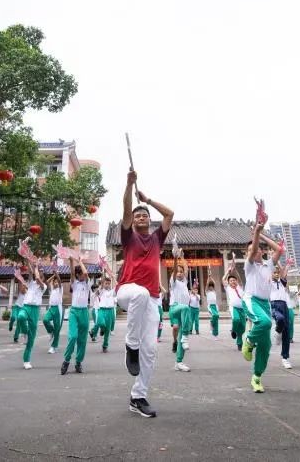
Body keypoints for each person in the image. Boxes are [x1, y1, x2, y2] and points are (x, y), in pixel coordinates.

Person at [116, 169, 173, 418]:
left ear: (149, 221)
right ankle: (131, 346)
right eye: (137, 215)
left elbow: (169, 214)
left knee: (150, 350)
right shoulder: (129, 237)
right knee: (139, 294)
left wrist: (148, 200)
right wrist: (130, 185)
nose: (140, 217)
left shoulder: (157, 239)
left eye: (144, 215)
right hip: (127, 291)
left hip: (152, 299)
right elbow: (126, 211)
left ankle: (138, 396)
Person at [242, 222, 282, 393]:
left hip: (265, 304)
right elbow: (252, 251)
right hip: (251, 300)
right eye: (250, 249)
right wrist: (256, 232)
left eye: (257, 248)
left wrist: (263, 234)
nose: (253, 250)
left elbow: (279, 250)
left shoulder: (269, 265)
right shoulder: (249, 265)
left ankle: (256, 377)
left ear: (262, 251)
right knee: (265, 322)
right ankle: (249, 340)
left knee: (266, 345)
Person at [62, 254, 90, 375]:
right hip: (74, 312)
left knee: (82, 340)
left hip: (84, 312)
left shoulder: (87, 283)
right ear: (78, 275)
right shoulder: (74, 283)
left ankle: (78, 362)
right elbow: (72, 274)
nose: (84, 275)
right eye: (81, 274)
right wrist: (71, 261)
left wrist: (80, 261)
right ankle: (66, 360)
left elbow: (86, 273)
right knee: (73, 336)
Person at [18, 262, 46, 370]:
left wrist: (36, 268)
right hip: (26, 307)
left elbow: (37, 277)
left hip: (35, 310)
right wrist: (26, 257)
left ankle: (26, 360)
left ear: (43, 277)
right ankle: (24, 332)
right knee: (21, 317)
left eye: (42, 272)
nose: (39, 273)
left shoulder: (43, 286)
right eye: (39, 271)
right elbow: (30, 272)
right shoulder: (31, 283)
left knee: (31, 338)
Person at [169, 256, 192, 372]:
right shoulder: (173, 282)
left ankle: (179, 362)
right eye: (177, 272)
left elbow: (186, 268)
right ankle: (184, 337)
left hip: (184, 312)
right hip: (175, 308)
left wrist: (182, 257)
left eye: (181, 272)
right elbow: (175, 270)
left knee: (181, 339)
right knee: (185, 308)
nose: (179, 273)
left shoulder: (184, 282)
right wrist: (175, 258)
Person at [269, 263, 292, 369]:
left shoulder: (282, 282)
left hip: (284, 305)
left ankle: (285, 358)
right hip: (274, 305)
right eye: (274, 272)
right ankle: (278, 332)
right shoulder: (268, 282)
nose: (276, 274)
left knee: (286, 332)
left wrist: (280, 263)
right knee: (280, 319)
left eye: (277, 273)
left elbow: (283, 272)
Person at [224, 257, 246, 350]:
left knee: (242, 327)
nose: (233, 281)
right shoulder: (228, 288)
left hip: (242, 309)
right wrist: (228, 272)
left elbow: (239, 278)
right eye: (231, 281)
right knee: (236, 320)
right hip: (234, 308)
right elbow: (223, 279)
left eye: (234, 280)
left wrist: (234, 269)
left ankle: (239, 343)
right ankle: (233, 330)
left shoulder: (240, 286)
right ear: (229, 283)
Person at [92, 275, 116, 352]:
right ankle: (100, 330)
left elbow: (117, 286)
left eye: (109, 284)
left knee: (107, 330)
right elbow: (99, 289)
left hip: (110, 311)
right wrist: (103, 278)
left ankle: (105, 346)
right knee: (100, 322)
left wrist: (113, 277)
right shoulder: (101, 291)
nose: (107, 285)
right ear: (103, 283)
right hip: (102, 310)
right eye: (106, 283)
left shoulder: (112, 292)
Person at [42, 268, 63, 354]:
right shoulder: (51, 289)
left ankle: (53, 347)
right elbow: (47, 282)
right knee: (45, 320)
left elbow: (60, 281)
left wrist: (57, 275)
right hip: (51, 308)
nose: (56, 283)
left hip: (58, 309)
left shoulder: (60, 289)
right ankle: (51, 332)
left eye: (57, 282)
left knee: (57, 329)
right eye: (54, 282)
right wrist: (54, 275)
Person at [206, 268, 219, 340]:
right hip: (210, 306)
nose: (211, 287)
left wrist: (211, 277)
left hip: (215, 306)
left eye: (212, 286)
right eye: (210, 286)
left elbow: (214, 283)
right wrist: (208, 277)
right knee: (215, 315)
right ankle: (211, 322)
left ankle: (215, 335)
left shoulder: (214, 291)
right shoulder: (207, 292)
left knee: (216, 319)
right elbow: (207, 284)